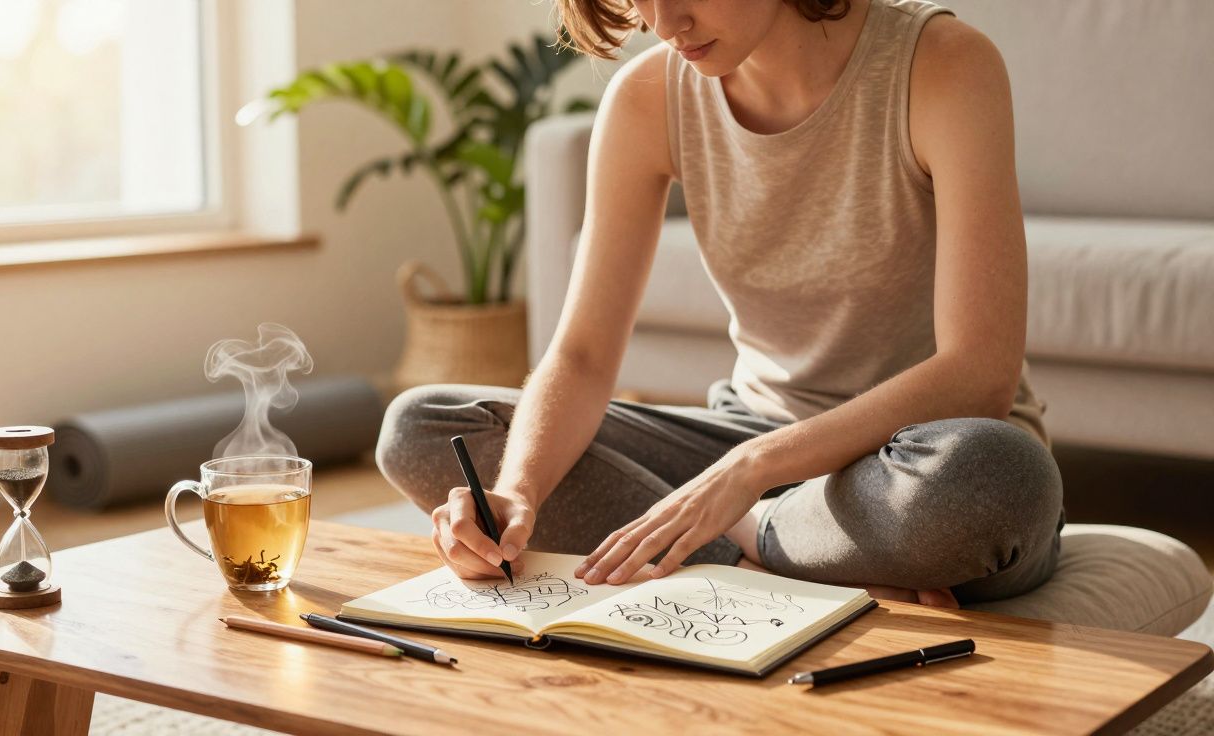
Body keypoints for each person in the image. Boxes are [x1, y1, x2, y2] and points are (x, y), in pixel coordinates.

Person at [376, 0, 1065, 608]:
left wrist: (749, 475)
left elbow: (980, 371)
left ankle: (745, 539)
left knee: (994, 482)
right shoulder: (648, 100)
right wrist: (519, 493)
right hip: (745, 434)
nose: (664, 22)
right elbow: (582, 356)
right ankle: (761, 565)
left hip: (917, 457)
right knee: (422, 426)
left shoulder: (942, 65)